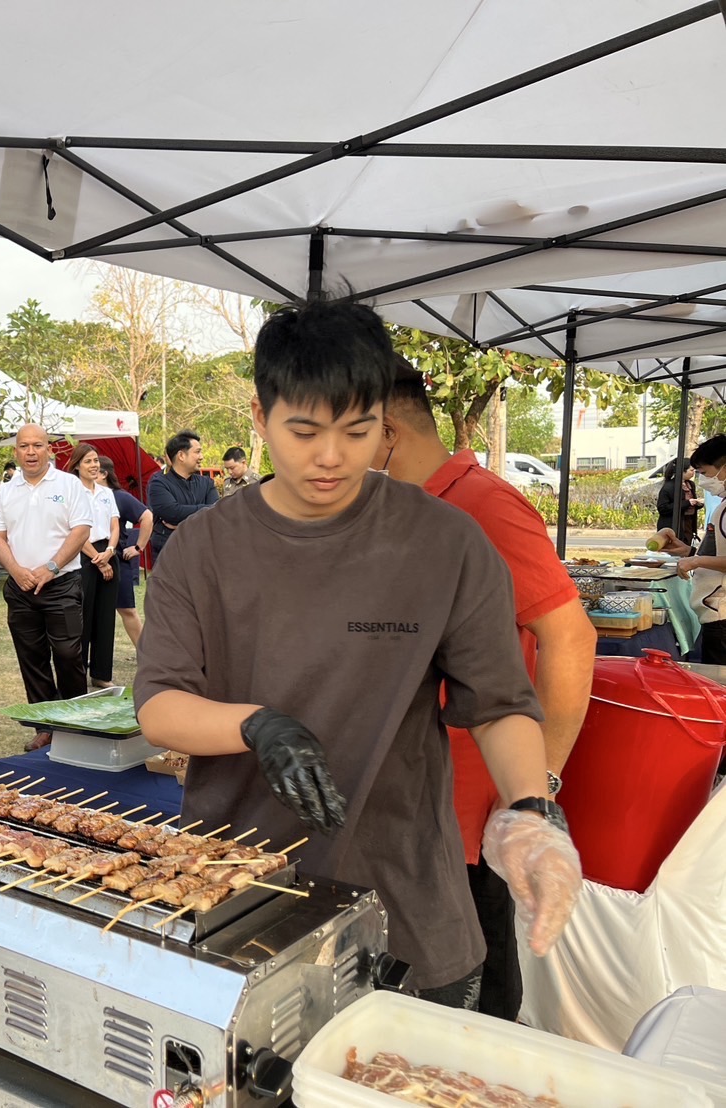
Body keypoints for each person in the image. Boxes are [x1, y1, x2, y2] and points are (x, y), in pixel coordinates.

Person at [133, 299, 582, 1007]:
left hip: (406, 896)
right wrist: (253, 725)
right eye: (303, 430)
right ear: (260, 415)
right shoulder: (201, 549)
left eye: (357, 429)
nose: (330, 457)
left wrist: (531, 811)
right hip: (242, 888)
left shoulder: (444, 542)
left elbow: (496, 704)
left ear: (385, 421)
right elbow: (159, 705)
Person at [381, 365, 597, 1019]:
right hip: (405, 804)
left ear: (384, 431)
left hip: (468, 812)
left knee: (474, 994)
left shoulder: (483, 505)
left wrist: (534, 792)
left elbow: (569, 637)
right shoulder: (400, 511)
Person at [0, 424, 92, 751]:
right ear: (15, 451)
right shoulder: (5, 491)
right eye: (23, 446)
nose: (30, 452)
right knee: (31, 658)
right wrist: (17, 571)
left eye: (37, 445)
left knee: (68, 654)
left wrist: (52, 566)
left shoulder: (69, 484)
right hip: (21, 587)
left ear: (49, 449)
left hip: (61, 583)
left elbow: (81, 530)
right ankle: (45, 726)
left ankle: (76, 724)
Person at [657, 436, 726, 663]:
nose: (704, 480)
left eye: (705, 473)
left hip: (721, 615)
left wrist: (695, 562)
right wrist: (689, 552)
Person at [68, 444, 120, 689]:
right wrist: (97, 559)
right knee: (84, 617)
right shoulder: (72, 491)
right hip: (83, 556)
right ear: (77, 464)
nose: (94, 465)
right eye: (88, 461)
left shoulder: (105, 493)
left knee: (105, 616)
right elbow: (74, 531)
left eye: (96, 461)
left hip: (108, 553)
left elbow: (115, 526)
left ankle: (101, 673)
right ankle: (79, 671)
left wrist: (109, 552)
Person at [100, 457, 152, 647]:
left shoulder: (119, 497)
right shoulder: (83, 495)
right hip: (92, 560)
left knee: (127, 610)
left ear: (104, 473)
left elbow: (147, 516)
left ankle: (146, 653)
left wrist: (138, 547)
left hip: (118, 560)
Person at [147, 430, 217, 555]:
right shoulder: (159, 484)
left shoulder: (207, 483)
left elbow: (216, 512)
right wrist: (205, 510)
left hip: (201, 551)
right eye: (197, 452)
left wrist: (183, 526)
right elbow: (172, 513)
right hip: (169, 552)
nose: (201, 457)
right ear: (181, 456)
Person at [656, 459, 702, 541]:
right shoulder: (669, 487)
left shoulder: (690, 484)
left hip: (688, 523)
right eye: (691, 470)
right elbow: (663, 508)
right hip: (674, 525)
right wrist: (687, 503)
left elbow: (690, 503)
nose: (693, 473)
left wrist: (697, 504)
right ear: (682, 471)